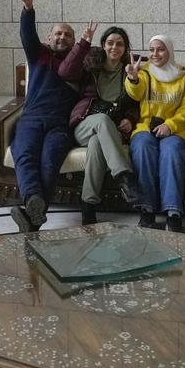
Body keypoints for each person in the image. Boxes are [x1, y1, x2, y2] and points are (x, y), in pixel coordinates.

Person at [10, 0, 96, 232]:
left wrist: (85, 44)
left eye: (68, 35)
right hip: (32, 119)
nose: (62, 37)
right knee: (24, 154)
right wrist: (28, 9)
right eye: (58, 34)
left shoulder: (79, 64)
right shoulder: (39, 54)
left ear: (73, 42)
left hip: (60, 124)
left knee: (49, 161)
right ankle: (35, 203)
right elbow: (27, 35)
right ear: (49, 37)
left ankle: (32, 213)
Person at [125, 35, 185, 232]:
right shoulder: (144, 72)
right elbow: (136, 93)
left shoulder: (184, 77)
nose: (155, 54)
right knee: (142, 147)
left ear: (170, 51)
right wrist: (132, 78)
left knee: (172, 151)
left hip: (174, 129)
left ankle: (173, 211)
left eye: (160, 49)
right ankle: (146, 208)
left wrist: (170, 125)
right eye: (152, 49)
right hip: (146, 126)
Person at [70, 26, 140, 225]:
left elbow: (137, 103)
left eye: (119, 44)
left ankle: (88, 207)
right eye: (110, 43)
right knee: (101, 120)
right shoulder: (92, 63)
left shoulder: (130, 70)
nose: (114, 47)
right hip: (85, 123)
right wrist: (83, 44)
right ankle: (123, 176)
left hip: (111, 130)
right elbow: (66, 71)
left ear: (125, 48)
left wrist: (131, 120)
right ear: (103, 45)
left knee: (96, 145)